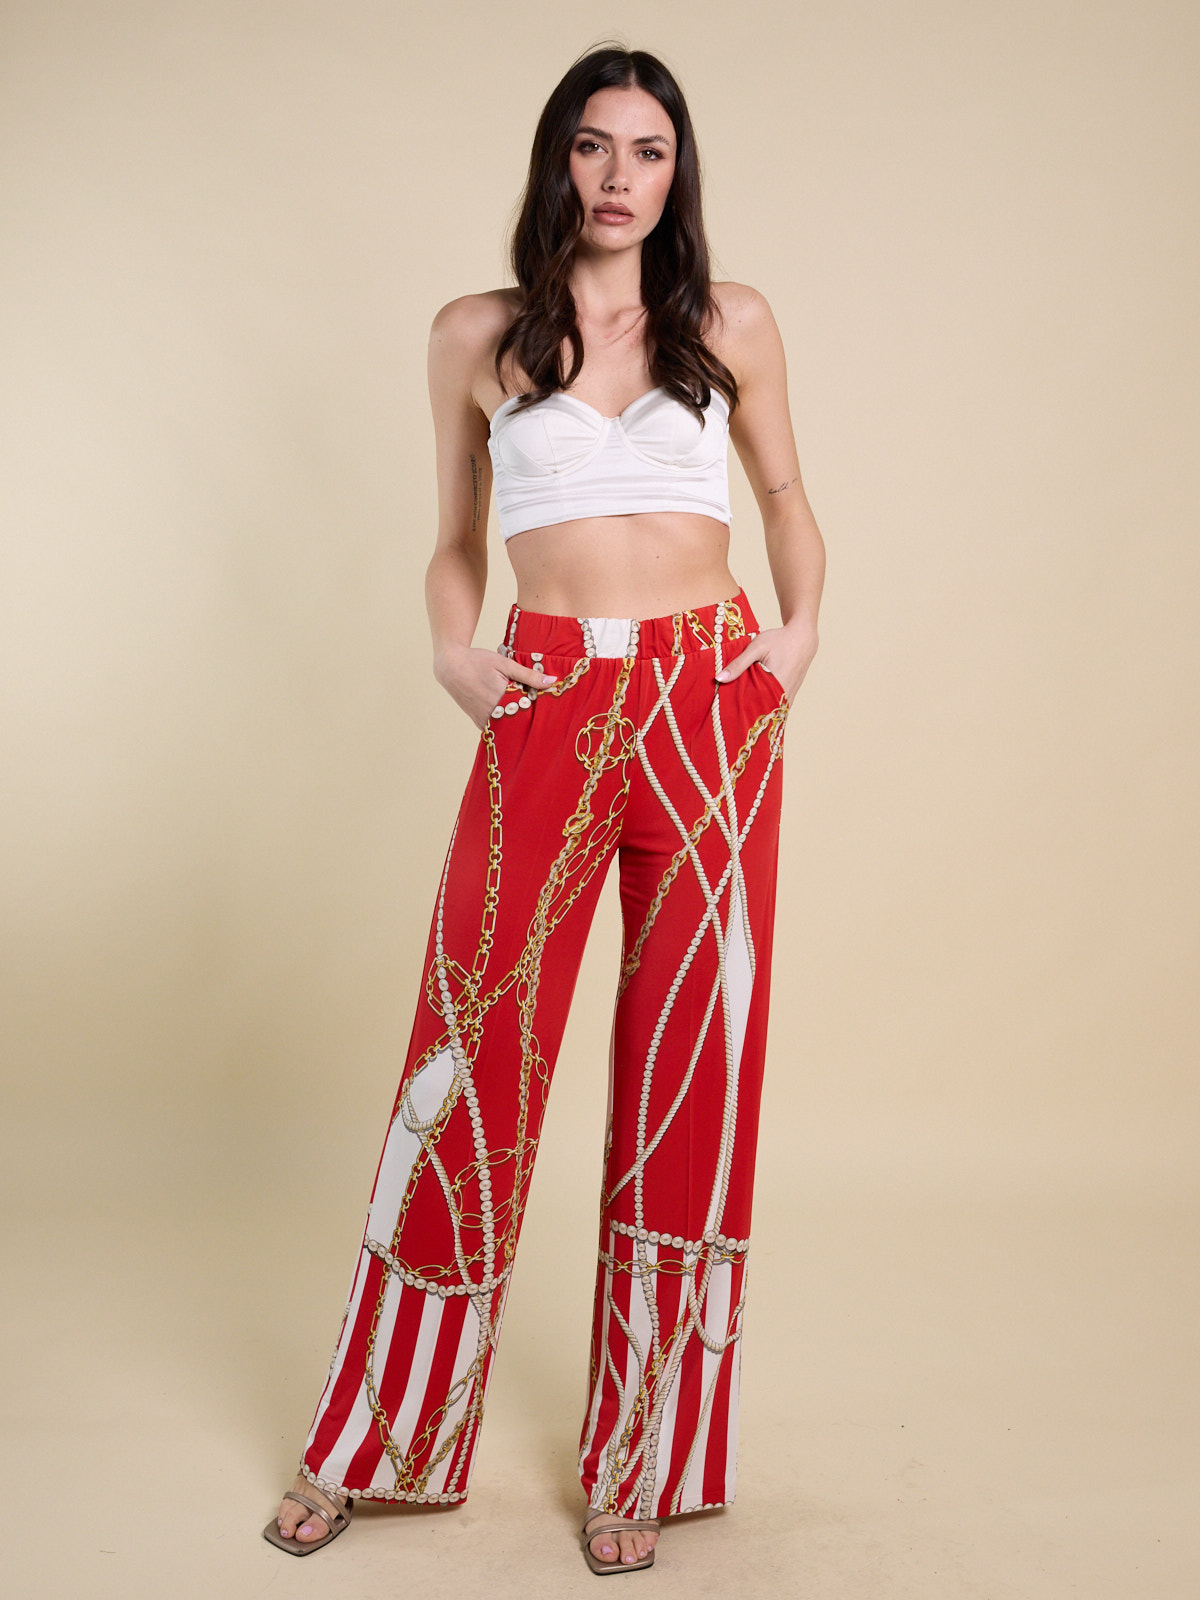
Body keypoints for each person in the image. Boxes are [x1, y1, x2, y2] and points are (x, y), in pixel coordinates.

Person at [264, 41, 824, 1576]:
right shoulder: (475, 334)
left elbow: (785, 501)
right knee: (469, 1051)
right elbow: (454, 537)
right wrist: (454, 649)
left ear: (677, 171)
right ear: (557, 160)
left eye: (648, 150)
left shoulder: (731, 323)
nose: (618, 176)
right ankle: (377, 1441)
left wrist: (797, 637)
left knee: (691, 1078)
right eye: (593, 145)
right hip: (550, 696)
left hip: (709, 704)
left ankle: (642, 1461)